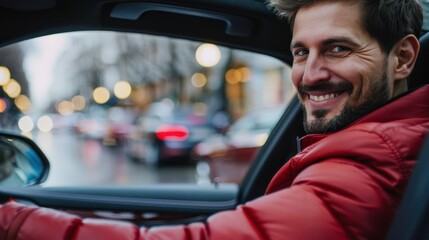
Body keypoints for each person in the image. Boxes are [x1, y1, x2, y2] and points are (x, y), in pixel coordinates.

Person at [1, 0, 429, 239]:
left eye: (338, 49)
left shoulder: (377, 161)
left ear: (403, 58)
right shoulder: (383, 144)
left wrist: (12, 220)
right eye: (301, 52)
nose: (310, 74)